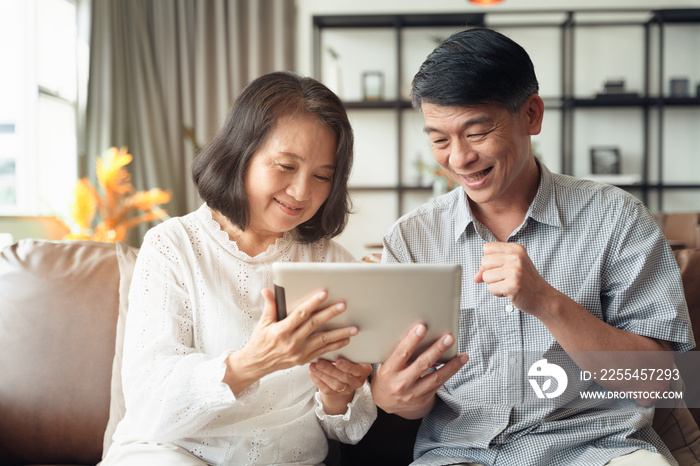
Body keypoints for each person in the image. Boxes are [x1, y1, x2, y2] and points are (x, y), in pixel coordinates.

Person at [366, 28, 694, 465]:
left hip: (597, 451)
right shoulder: (411, 240)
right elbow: (404, 399)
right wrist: (391, 396)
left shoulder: (616, 219)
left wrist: (546, 302)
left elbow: (659, 383)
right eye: (440, 140)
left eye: (477, 132)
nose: (459, 158)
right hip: (460, 455)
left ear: (531, 115)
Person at [102, 71, 376, 465]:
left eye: (321, 177)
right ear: (240, 154)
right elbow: (150, 405)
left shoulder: (332, 262)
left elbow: (349, 429)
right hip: (171, 453)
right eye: (285, 166)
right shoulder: (173, 247)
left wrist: (338, 396)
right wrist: (252, 362)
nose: (301, 192)